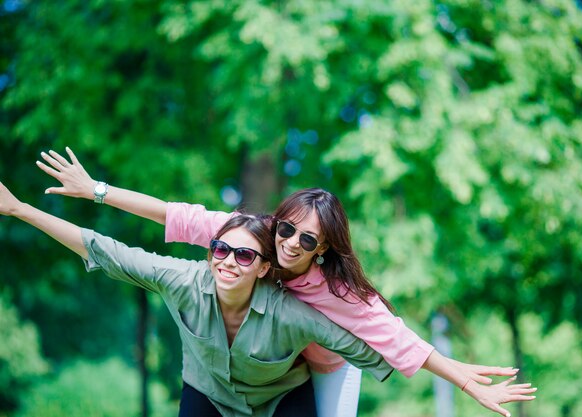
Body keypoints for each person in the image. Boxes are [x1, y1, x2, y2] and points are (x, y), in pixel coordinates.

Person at [35, 148, 537, 417]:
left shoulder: (336, 291)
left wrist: (462, 379)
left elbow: (399, 339)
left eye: (308, 240)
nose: (292, 243)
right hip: (263, 354)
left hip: (324, 365)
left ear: (324, 250)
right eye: (288, 228)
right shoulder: (249, 240)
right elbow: (176, 216)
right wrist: (97, 190)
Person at [0, 181, 397, 416]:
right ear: (210, 252)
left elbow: (384, 348)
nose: (228, 262)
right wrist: (20, 209)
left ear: (263, 267)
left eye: (244, 255)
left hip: (281, 395)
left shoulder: (292, 311)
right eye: (221, 251)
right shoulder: (183, 279)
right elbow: (104, 249)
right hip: (207, 391)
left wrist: (444, 366)